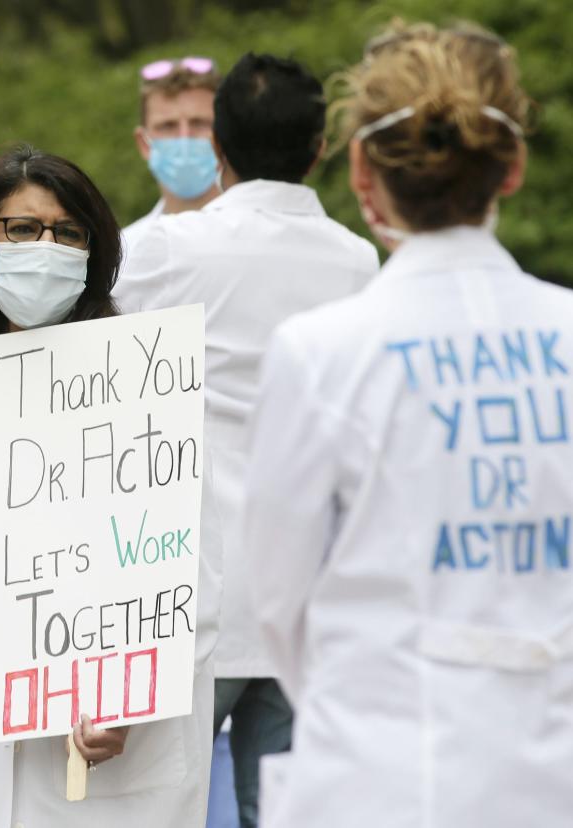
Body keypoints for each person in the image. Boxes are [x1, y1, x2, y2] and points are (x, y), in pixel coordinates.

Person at [244, 23, 568, 828]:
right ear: (514, 166)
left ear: (361, 169)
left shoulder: (321, 353)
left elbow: (279, 604)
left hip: (374, 773)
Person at [0, 144, 220, 827]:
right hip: (16, 732)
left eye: (65, 232)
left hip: (124, 750)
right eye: (22, 229)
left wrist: (129, 703)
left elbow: (194, 576)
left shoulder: (146, 379)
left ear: (91, 255)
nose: (43, 246)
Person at [114, 53, 380, 828]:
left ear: (218, 150)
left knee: (165, 805)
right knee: (286, 811)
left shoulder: (163, 253)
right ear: (320, 149)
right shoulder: (358, 261)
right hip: (307, 590)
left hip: (189, 584)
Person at [123, 56, 221, 257]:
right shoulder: (123, 253)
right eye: (168, 126)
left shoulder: (262, 238)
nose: (184, 138)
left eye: (199, 123)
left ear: (225, 134)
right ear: (144, 143)